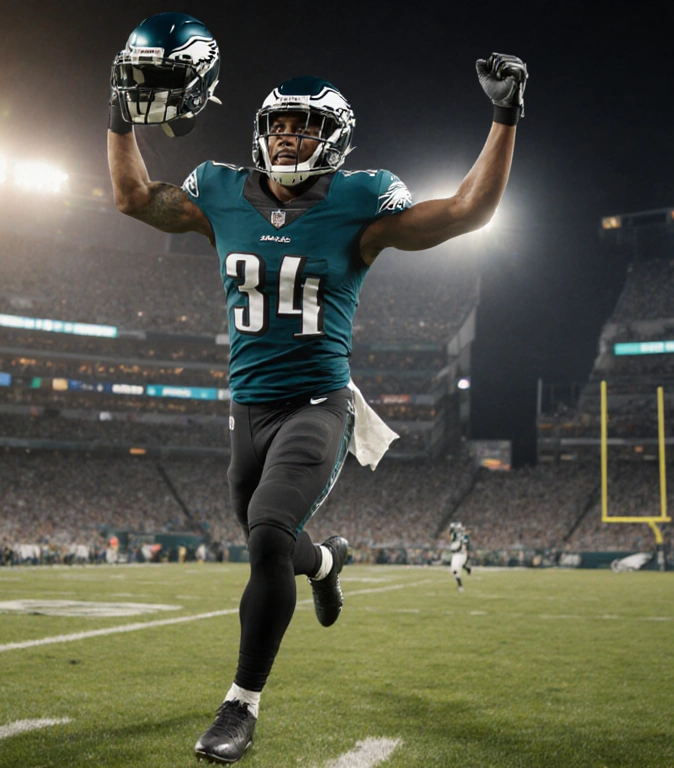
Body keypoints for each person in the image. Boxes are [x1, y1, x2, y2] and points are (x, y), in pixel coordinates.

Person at [107, 12, 527, 763]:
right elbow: (134, 198)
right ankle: (327, 564)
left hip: (316, 405)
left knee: (267, 532)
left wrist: (505, 116)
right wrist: (118, 117)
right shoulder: (223, 192)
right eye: (279, 126)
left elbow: (470, 211)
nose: (288, 138)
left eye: (304, 128)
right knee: (270, 537)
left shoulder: (360, 204)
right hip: (248, 408)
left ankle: (240, 706)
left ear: (334, 139)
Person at [449, 522, 473, 593]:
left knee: (454, 570)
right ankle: (468, 569)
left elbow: (464, 546)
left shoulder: (459, 536)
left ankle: (460, 586)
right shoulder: (461, 535)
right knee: (457, 568)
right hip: (459, 554)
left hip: (460, 554)